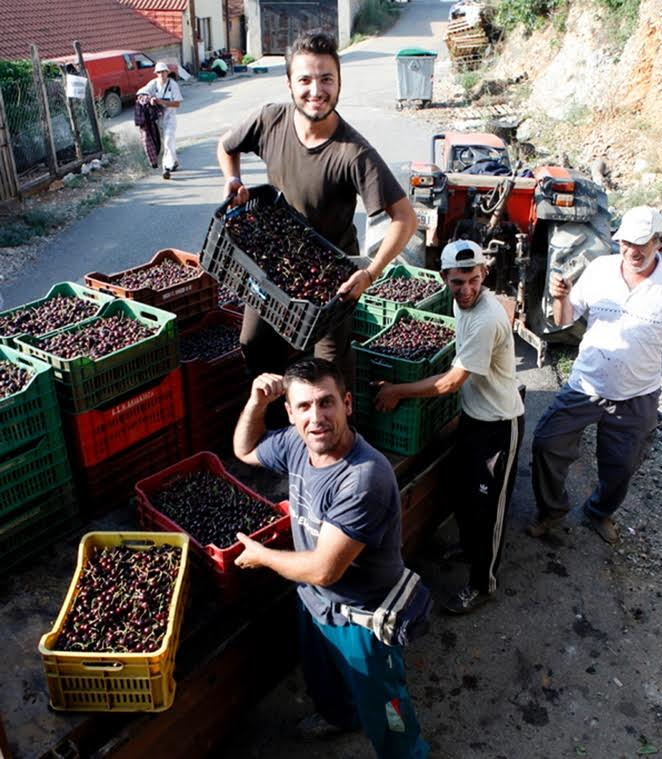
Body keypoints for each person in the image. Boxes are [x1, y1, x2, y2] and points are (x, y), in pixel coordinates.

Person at [232, 358, 429, 758]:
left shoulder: (363, 478)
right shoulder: (295, 441)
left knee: (387, 707)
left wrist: (263, 557)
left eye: (326, 403)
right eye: (303, 407)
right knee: (325, 679)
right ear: (290, 412)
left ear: (347, 404)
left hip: (361, 617)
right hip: (314, 600)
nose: (316, 417)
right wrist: (255, 403)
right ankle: (340, 717)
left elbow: (325, 569)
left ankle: (406, 753)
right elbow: (245, 449)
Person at [217, 30, 417, 389]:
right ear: (289, 83)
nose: (316, 90)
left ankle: (342, 437)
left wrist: (370, 273)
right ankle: (279, 428)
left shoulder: (353, 153)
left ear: (339, 82)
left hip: (331, 284)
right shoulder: (269, 121)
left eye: (327, 79)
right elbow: (227, 146)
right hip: (273, 266)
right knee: (255, 347)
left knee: (329, 371)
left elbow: (405, 217)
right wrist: (232, 180)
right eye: (305, 79)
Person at [529, 206, 662, 544]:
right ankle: (552, 511)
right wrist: (560, 299)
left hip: (637, 394)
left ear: (659, 243)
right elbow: (564, 319)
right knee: (547, 443)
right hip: (586, 384)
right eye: (626, 243)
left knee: (621, 467)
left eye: (642, 244)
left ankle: (598, 512)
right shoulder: (600, 269)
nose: (633, 251)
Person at [374, 240, 525, 614]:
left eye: (474, 280)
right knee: (466, 496)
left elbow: (450, 382)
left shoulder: (486, 317)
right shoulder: (461, 305)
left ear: (484, 275)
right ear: (444, 279)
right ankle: (470, 548)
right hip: (474, 417)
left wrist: (398, 391)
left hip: (500, 426)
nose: (467, 289)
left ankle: (482, 582)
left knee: (489, 510)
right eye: (458, 282)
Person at [137, 62, 182, 179]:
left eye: (163, 71)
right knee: (166, 143)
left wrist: (162, 102)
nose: (161, 74)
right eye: (159, 72)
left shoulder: (173, 85)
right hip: (158, 120)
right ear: (156, 74)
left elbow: (177, 103)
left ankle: (166, 168)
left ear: (167, 72)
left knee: (168, 141)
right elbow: (141, 92)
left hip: (170, 119)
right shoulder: (153, 84)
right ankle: (174, 161)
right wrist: (150, 98)